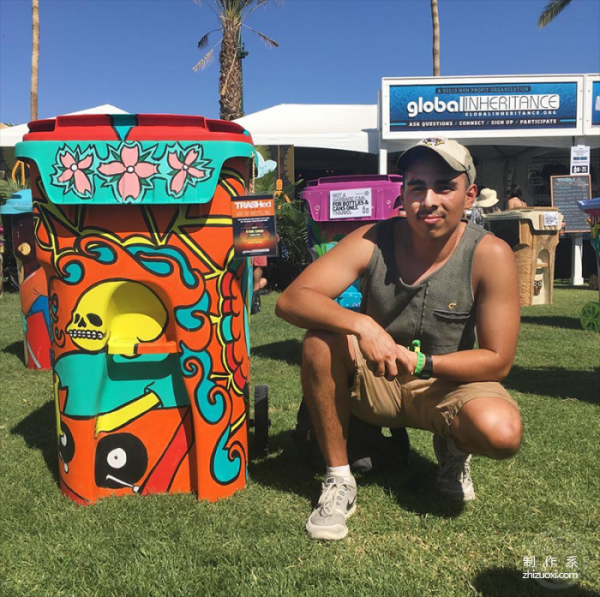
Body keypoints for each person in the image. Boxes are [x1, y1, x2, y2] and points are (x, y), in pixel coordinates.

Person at [276, 137, 522, 541]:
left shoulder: (491, 254)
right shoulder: (372, 238)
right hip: (377, 380)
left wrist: (424, 363)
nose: (429, 200)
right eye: (416, 187)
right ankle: (339, 480)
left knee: (501, 432)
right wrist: (362, 326)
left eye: (445, 186)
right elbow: (291, 300)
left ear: (470, 194)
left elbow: (498, 360)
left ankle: (454, 451)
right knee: (320, 340)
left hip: (446, 384)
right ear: (402, 193)